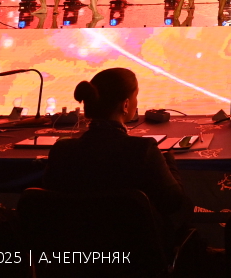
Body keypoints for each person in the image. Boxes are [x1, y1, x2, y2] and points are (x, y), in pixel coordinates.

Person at [43, 68, 185, 229]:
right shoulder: (143, 150)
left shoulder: (62, 150)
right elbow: (173, 202)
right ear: (126, 105)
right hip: (137, 242)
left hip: (74, 240)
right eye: (136, 96)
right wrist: (169, 161)